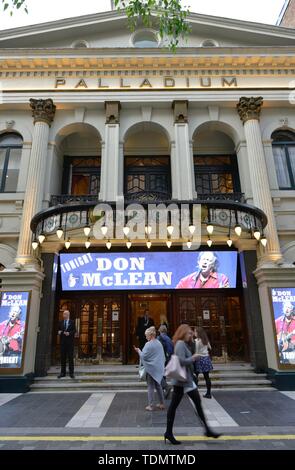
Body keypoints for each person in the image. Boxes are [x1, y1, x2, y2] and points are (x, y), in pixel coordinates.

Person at [164, 324, 221, 445]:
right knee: (175, 406)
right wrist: (193, 358)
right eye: (189, 333)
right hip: (182, 381)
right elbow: (180, 361)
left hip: (186, 380)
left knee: (196, 403)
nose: (191, 334)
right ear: (183, 333)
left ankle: (207, 430)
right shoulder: (180, 344)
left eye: (191, 333)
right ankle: (169, 432)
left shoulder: (185, 344)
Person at [134, 326, 165, 411]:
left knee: (150, 387)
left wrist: (138, 351)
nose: (146, 337)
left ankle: (151, 405)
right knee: (158, 386)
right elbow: (162, 356)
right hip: (157, 368)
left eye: (146, 335)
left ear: (151, 335)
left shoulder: (148, 344)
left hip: (151, 370)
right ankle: (162, 404)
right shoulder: (159, 343)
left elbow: (143, 356)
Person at [194, 327, 213, 399]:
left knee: (196, 376)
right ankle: (208, 393)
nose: (194, 333)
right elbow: (210, 348)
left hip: (199, 359)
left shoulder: (197, 341)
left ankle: (195, 393)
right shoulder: (205, 340)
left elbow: (196, 352)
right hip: (206, 358)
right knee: (207, 377)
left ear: (198, 333)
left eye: (195, 332)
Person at [58, 310, 76, 379]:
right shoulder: (61, 322)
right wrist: (59, 332)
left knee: (70, 358)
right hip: (63, 343)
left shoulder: (72, 322)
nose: (63, 315)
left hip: (70, 343)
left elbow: (74, 330)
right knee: (63, 358)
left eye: (65, 314)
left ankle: (71, 373)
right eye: (63, 314)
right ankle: (63, 373)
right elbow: (59, 330)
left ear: (68, 315)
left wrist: (69, 333)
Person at [158, 324, 174, 398]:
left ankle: (165, 388)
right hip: (167, 359)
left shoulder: (159, 338)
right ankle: (164, 391)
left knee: (159, 375)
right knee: (163, 374)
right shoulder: (168, 338)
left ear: (160, 330)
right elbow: (171, 350)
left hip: (161, 359)